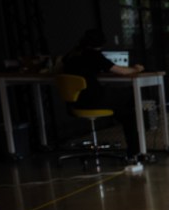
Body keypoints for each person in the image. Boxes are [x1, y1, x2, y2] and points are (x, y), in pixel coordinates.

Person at [61, 28, 145, 161]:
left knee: (124, 108)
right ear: (100, 44)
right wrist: (136, 69)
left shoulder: (71, 55)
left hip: (76, 103)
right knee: (130, 97)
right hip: (93, 99)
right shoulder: (94, 55)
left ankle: (123, 122)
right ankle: (135, 151)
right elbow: (121, 71)